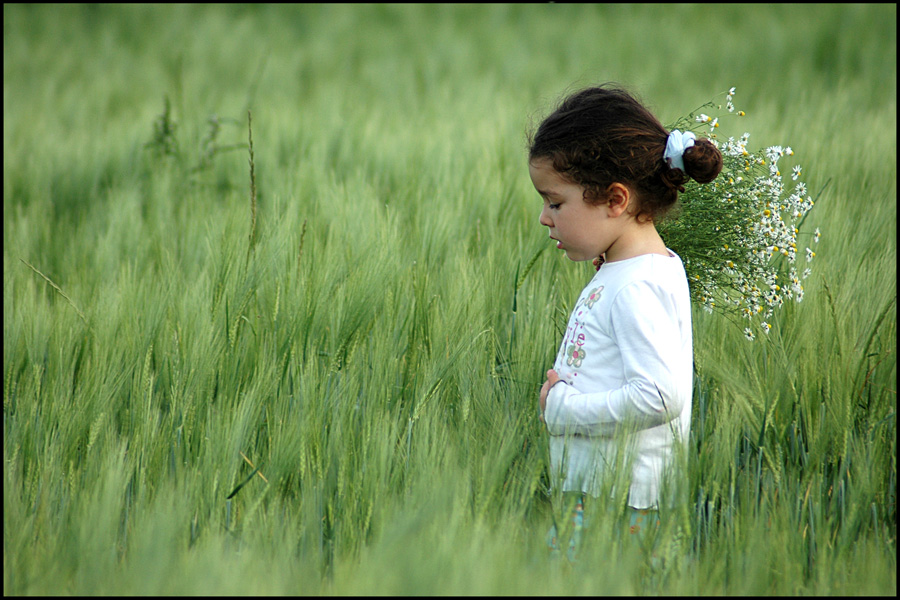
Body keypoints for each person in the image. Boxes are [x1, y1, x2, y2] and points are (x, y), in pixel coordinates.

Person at [528, 84, 723, 563]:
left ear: (615, 200)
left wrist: (563, 409)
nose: (543, 218)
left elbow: (659, 395)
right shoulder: (636, 269)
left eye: (555, 202)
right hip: (606, 495)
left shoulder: (635, 287)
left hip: (615, 505)